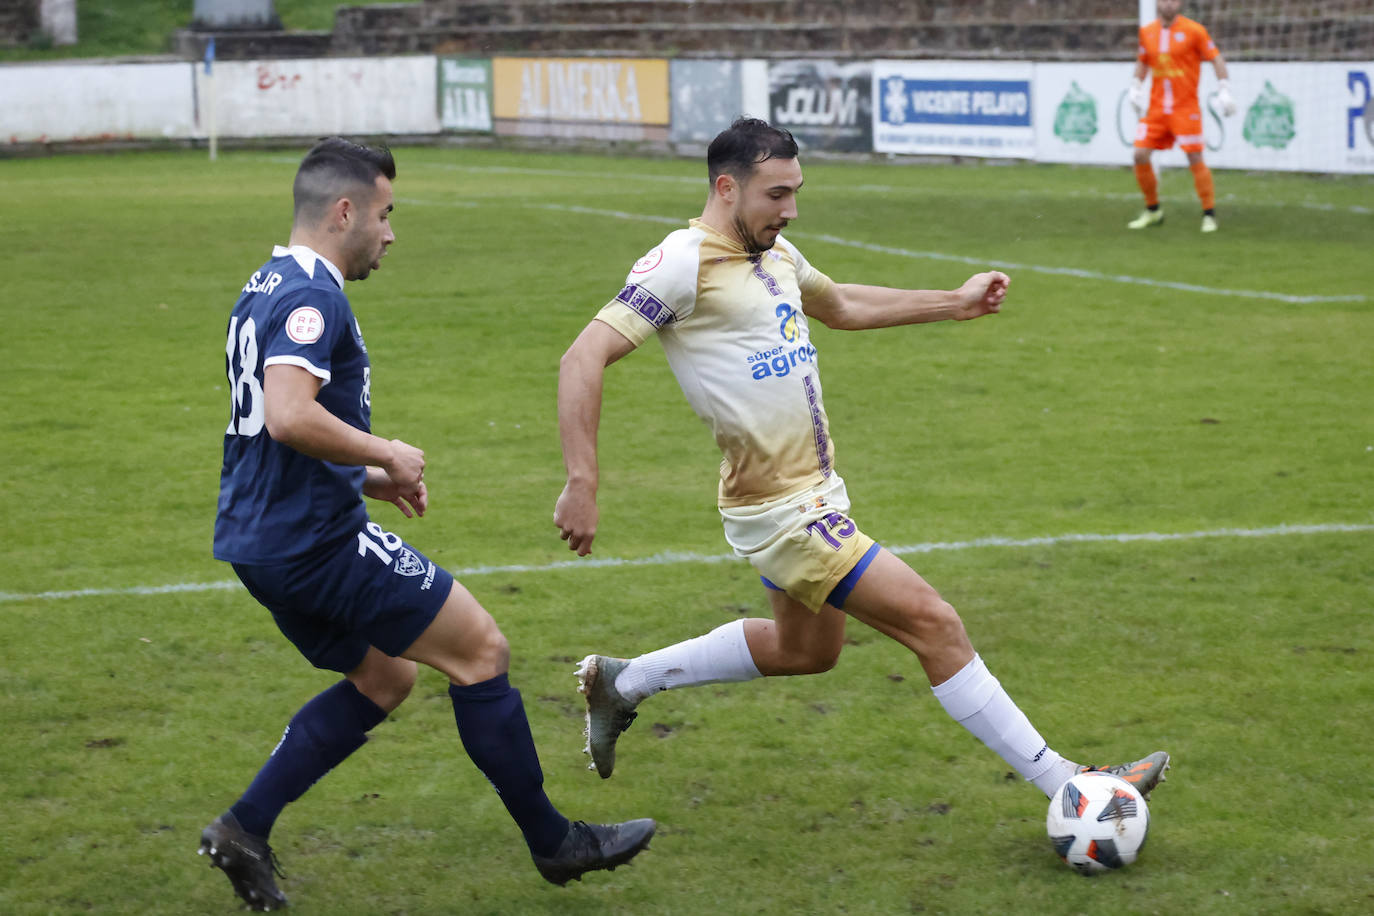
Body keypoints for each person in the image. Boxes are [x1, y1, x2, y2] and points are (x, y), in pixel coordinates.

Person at [553, 118, 1170, 838]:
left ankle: (624, 681)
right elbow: (581, 358)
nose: (788, 209)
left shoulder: (775, 253)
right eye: (775, 193)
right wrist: (582, 481)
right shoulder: (680, 264)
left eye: (795, 192)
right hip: (783, 509)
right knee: (935, 623)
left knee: (806, 652)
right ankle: (1073, 785)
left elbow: (841, 305)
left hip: (813, 493)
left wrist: (954, 302)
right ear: (727, 187)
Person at [204, 137, 654, 911]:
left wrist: (365, 477)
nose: (389, 232)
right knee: (482, 651)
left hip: (259, 539)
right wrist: (385, 450)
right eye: (383, 214)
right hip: (316, 544)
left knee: (385, 676)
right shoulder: (314, 294)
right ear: (343, 211)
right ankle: (555, 844)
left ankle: (244, 827)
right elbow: (285, 415)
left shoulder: (266, 281)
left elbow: (267, 427)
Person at [1127, 0, 1236, 232]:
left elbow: (1216, 58)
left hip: (1185, 109)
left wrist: (1224, 89)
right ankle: (1153, 210)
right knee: (1139, 154)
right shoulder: (1147, 32)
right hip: (1156, 110)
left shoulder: (1194, 31)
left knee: (1195, 158)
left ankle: (1209, 214)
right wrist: (1135, 87)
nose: (1169, 4)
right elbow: (1143, 60)